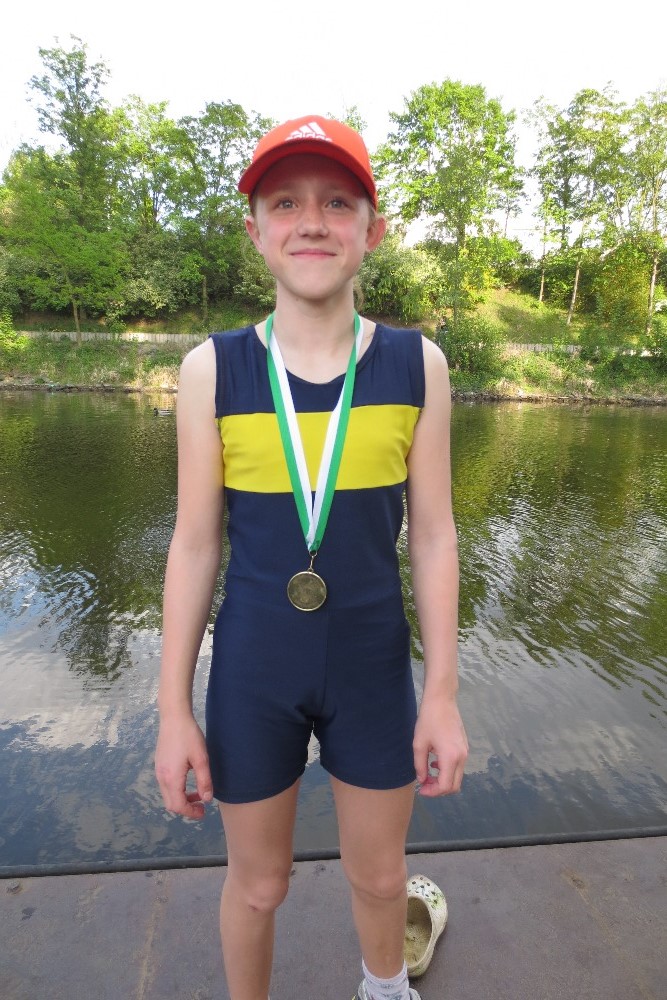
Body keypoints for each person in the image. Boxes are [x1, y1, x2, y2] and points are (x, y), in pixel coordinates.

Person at [155, 114, 468, 1000]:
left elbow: (434, 536)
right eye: (285, 203)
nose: (312, 223)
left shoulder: (416, 365)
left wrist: (441, 694)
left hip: (371, 661)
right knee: (258, 886)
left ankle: (385, 989)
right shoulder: (212, 370)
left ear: (373, 229)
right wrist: (172, 709)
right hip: (255, 664)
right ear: (255, 230)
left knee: (380, 875)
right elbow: (194, 544)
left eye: (337, 203)